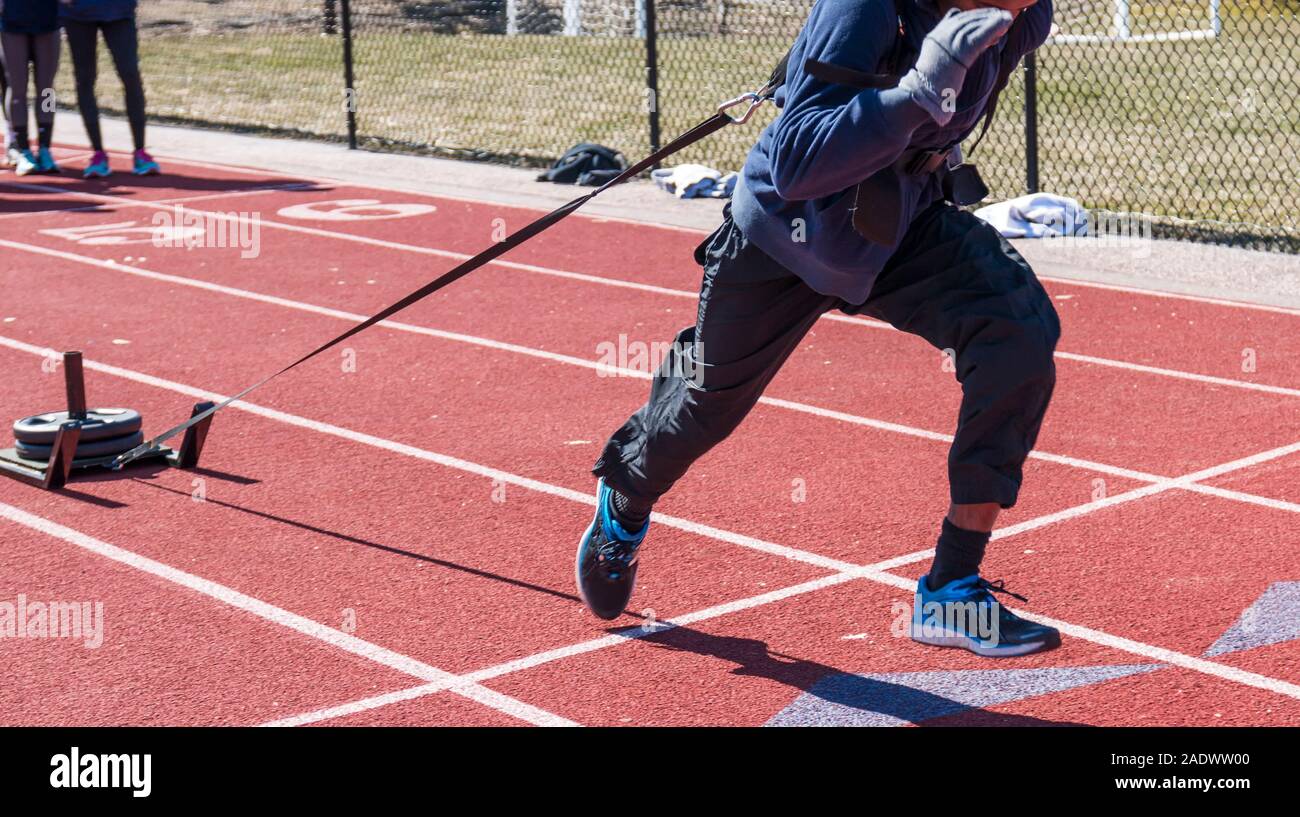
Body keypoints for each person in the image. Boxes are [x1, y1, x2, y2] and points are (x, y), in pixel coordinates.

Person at [576, 0, 1064, 657]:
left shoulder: (1021, 17)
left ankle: (951, 589)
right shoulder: (866, 8)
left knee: (1019, 332)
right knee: (704, 405)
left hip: (895, 226)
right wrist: (918, 90)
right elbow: (799, 164)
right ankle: (626, 495)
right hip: (785, 235)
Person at [59, 0, 158, 177]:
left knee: (130, 74)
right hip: (77, 13)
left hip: (118, 10)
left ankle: (140, 152)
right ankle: (98, 154)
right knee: (84, 79)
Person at [1, 0, 61, 175]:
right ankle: (22, 150)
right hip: (13, 18)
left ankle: (45, 148)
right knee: (16, 87)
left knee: (47, 89)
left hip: (47, 18)